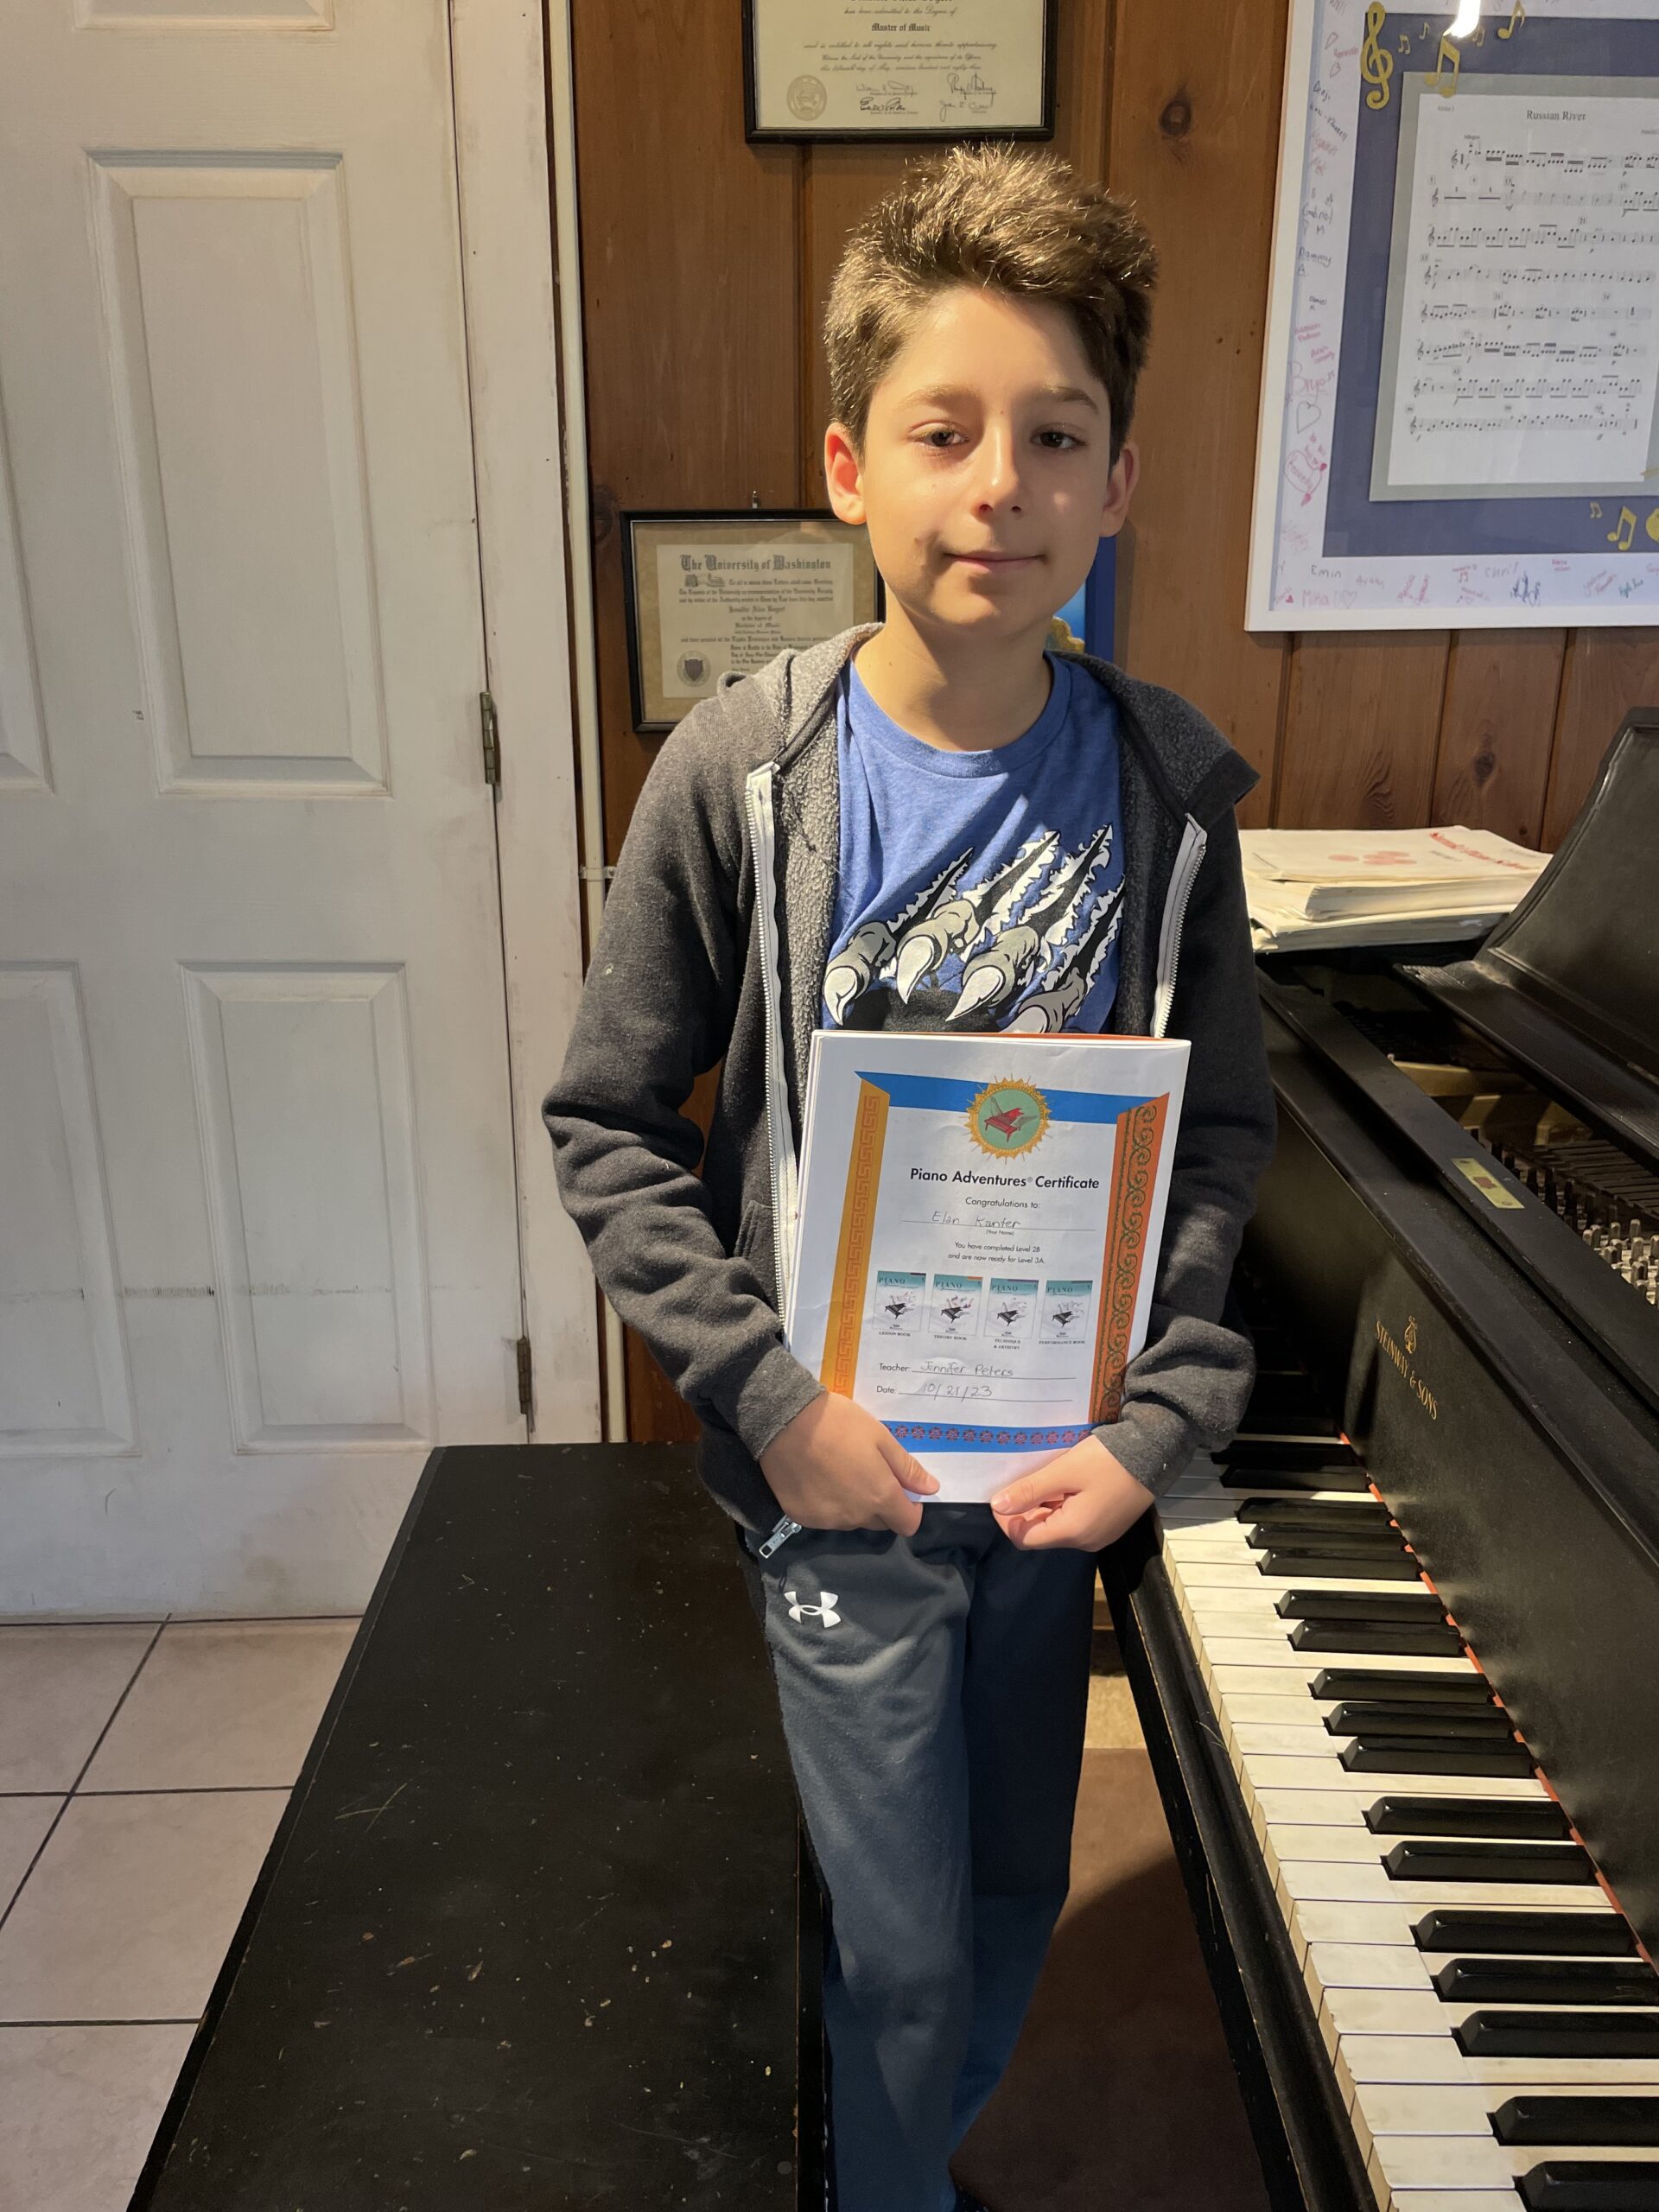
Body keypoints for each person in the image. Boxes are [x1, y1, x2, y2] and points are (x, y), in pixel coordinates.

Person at [543, 143, 1275, 2212]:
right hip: (844, 1484)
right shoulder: (742, 772)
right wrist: (775, 1404)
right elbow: (610, 1122)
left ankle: (901, 2157)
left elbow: (1216, 1138)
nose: (1003, 486)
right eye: (947, 432)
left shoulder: (1171, 792)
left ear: (1117, 484)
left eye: (1058, 438)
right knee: (902, 1938)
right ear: (850, 461)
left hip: (1050, 1491)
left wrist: (1158, 1418)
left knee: (1022, 1883)